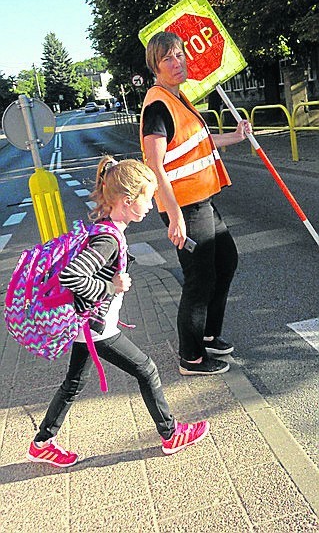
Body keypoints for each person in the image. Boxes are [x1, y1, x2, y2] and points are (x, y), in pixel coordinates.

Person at [27, 155, 210, 467]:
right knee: (147, 368)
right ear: (127, 200)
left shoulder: (107, 228)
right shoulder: (107, 238)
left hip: (85, 325)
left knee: (73, 384)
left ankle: (42, 442)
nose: (152, 206)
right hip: (96, 329)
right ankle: (170, 434)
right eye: (148, 198)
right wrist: (111, 288)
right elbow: (72, 275)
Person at [140, 31, 252, 377]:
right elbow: (155, 165)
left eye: (179, 54)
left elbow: (199, 142)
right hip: (185, 207)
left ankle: (206, 333)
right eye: (167, 59)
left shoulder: (179, 97)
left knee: (226, 260)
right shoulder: (158, 104)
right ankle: (191, 357)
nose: (178, 62)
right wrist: (175, 216)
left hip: (202, 200)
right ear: (155, 68)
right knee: (199, 278)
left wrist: (234, 136)